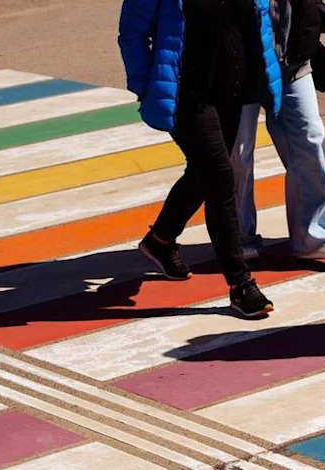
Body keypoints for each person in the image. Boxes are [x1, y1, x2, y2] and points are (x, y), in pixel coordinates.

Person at [118, 0, 283, 320]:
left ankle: (160, 240)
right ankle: (240, 284)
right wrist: (145, 87)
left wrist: (266, 75)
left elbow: (259, 18)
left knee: (204, 173)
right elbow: (132, 35)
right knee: (221, 178)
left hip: (232, 88)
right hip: (185, 96)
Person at [231, 0, 325, 262]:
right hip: (240, 63)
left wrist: (314, 19)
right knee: (238, 154)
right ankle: (238, 237)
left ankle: (312, 236)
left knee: (310, 137)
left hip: (291, 56)